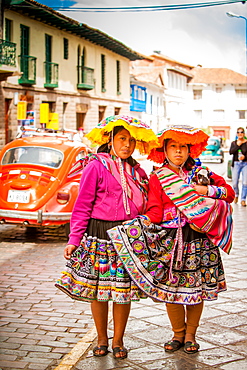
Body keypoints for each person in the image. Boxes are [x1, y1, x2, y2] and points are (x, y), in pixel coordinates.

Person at [108, 125, 234, 355]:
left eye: (183, 147)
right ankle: (177, 333)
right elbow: (155, 211)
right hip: (170, 241)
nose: (178, 152)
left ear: (190, 149)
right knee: (172, 289)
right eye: (173, 146)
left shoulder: (202, 173)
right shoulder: (158, 177)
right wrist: (134, 227)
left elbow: (230, 193)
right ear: (164, 150)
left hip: (199, 239)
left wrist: (206, 191)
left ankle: (190, 335)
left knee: (197, 289)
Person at [55, 115, 158, 359]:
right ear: (110, 140)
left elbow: (147, 205)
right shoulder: (96, 166)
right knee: (98, 290)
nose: (127, 145)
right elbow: (82, 205)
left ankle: (119, 339)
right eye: (122, 139)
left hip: (128, 237)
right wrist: (74, 239)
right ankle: (102, 338)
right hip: (99, 235)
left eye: (131, 141)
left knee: (123, 292)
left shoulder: (138, 171)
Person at [229, 127, 247, 206]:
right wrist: (237, 145)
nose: (240, 133)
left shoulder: (246, 143)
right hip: (236, 163)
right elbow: (231, 152)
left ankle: (243, 199)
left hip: (245, 164)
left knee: (245, 182)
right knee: (235, 182)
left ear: (244, 133)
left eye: (241, 132)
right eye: (238, 132)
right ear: (237, 134)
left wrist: (245, 157)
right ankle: (236, 195)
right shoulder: (234, 143)